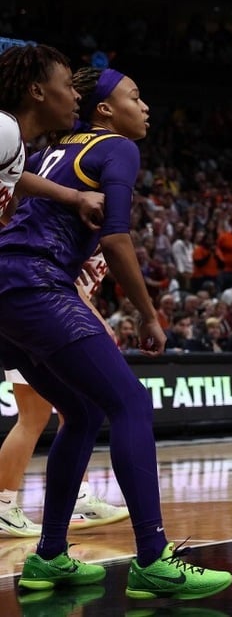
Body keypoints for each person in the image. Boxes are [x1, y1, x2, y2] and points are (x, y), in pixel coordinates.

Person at [0, 64, 232, 597]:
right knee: (132, 403)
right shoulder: (117, 148)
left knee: (81, 412)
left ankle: (50, 556)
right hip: (37, 283)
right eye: (135, 96)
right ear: (105, 110)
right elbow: (115, 239)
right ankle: (153, 557)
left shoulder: (41, 153)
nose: (145, 106)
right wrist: (149, 315)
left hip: (7, 291)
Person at [0, 43, 125, 538]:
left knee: (70, 411)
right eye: (64, 85)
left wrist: (72, 194)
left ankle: (68, 501)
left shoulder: (26, 151)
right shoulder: (6, 128)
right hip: (32, 295)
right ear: (37, 90)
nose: (72, 94)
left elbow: (21, 179)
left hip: (23, 296)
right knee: (53, 414)